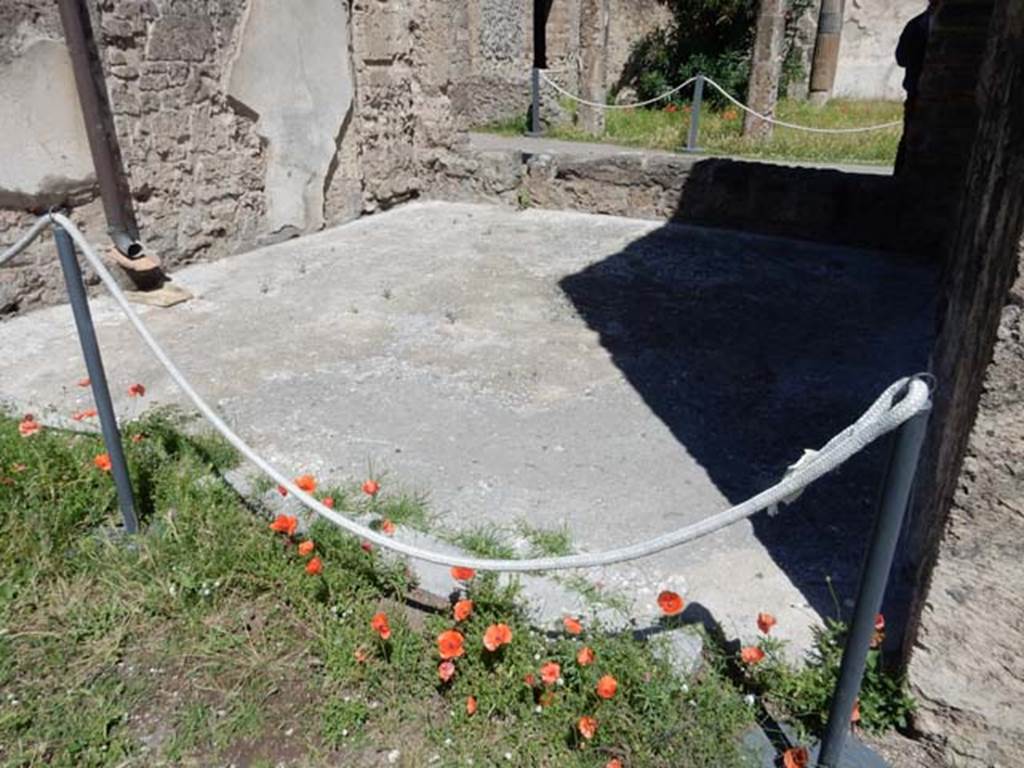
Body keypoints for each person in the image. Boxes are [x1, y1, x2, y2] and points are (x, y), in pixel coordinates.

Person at [894, 0, 937, 174]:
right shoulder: (918, 25)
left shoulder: (917, 24)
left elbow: (901, 58)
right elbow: (901, 58)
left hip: (918, 90)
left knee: (911, 138)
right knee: (912, 137)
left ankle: (903, 175)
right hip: (918, 91)